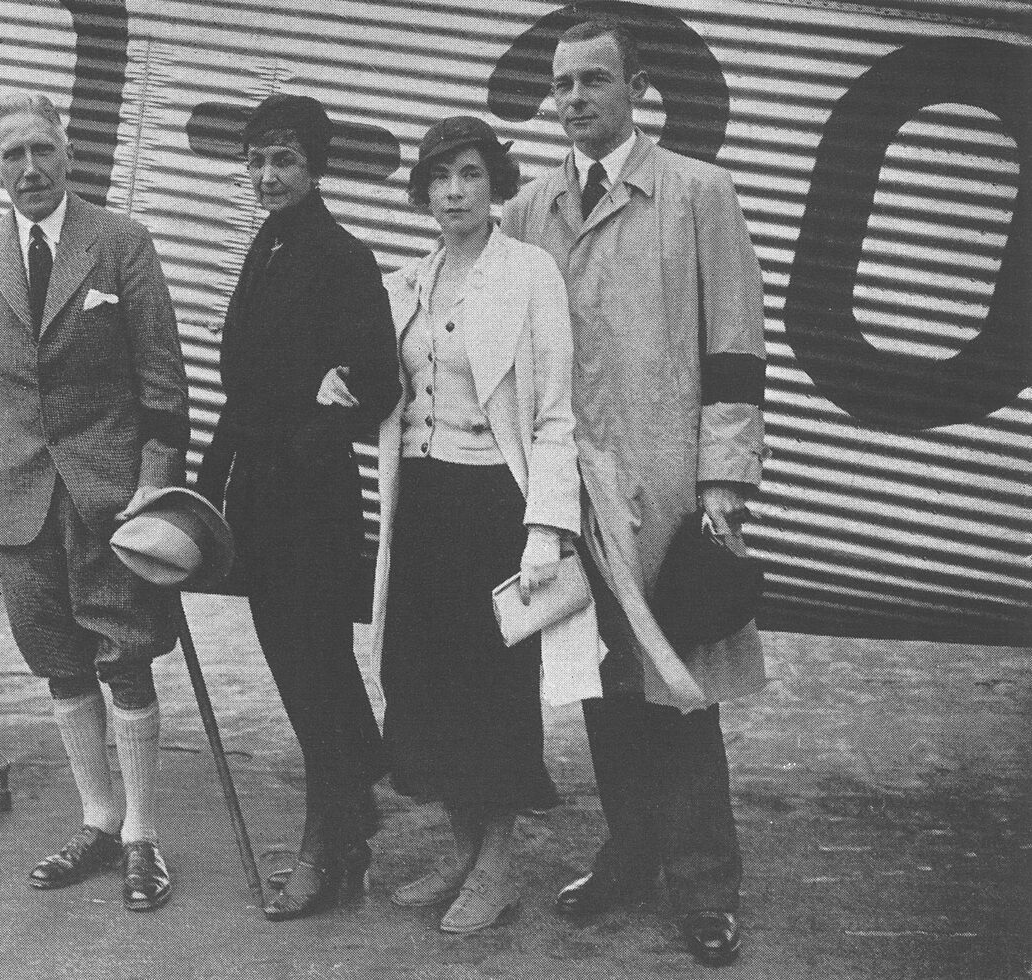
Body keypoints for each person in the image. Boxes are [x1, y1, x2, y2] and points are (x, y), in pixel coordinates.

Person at [502, 17, 768, 965]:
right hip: (569, 488)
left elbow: (735, 346)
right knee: (602, 681)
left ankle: (704, 882)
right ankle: (629, 855)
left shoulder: (698, 193)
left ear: (637, 86)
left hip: (666, 487)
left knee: (677, 686)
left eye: (594, 80)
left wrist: (724, 479)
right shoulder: (528, 208)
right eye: (562, 84)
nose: (575, 99)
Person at [0, 91, 189, 912]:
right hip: (18, 496)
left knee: (125, 657)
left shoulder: (120, 242)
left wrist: (154, 481)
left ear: (67, 153)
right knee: (59, 661)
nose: (31, 168)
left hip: (110, 499)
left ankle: (143, 835)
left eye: (42, 149)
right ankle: (98, 820)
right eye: (13, 155)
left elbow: (164, 381)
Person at [364, 116, 582, 935]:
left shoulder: (529, 274)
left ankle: (498, 865)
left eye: (470, 175)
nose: (454, 192)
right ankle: (462, 851)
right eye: (439, 177)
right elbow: (386, 390)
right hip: (420, 504)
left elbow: (555, 413)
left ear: (495, 186)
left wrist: (544, 528)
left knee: (492, 691)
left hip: (494, 507)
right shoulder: (406, 281)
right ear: (422, 192)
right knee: (425, 683)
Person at [194, 94, 401, 922]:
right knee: (303, 667)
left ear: (315, 166)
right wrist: (200, 493)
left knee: (314, 672)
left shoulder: (342, 255)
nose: (266, 175)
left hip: (311, 504)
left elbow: (379, 384)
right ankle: (354, 803)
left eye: (283, 159)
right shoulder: (269, 244)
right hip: (260, 500)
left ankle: (327, 840)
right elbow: (244, 391)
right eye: (255, 159)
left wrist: (308, 436)